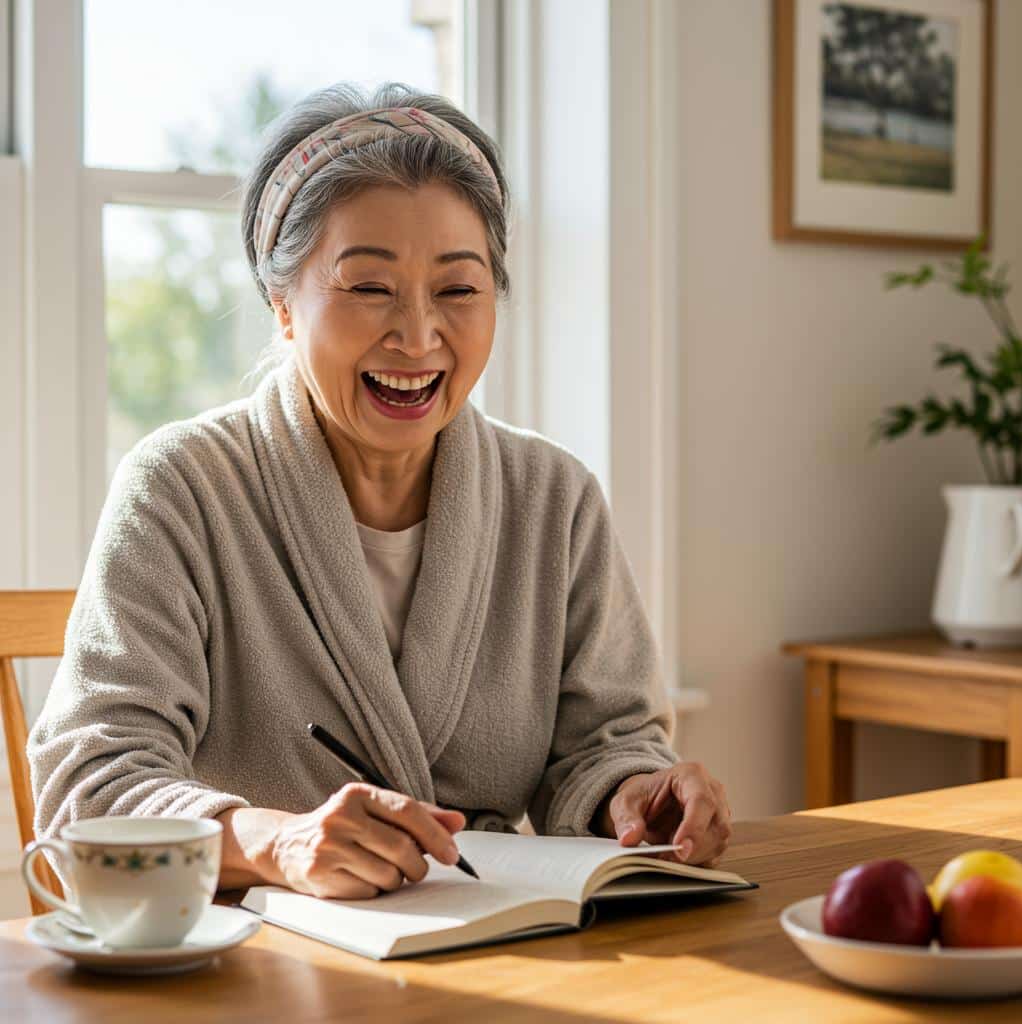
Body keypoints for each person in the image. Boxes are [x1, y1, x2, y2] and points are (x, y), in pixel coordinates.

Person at [28, 83, 731, 900]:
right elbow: (92, 787)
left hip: (498, 945)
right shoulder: (181, 490)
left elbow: (606, 744)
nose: (418, 334)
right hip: (261, 956)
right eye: (368, 288)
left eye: (458, 291)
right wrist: (276, 842)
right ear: (282, 303)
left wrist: (636, 795)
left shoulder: (553, 498)